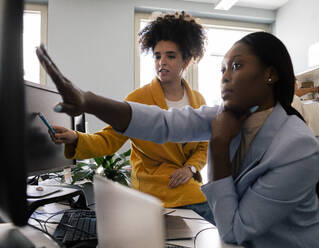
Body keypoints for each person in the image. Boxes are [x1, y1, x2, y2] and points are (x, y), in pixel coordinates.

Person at [36, 31, 319, 247]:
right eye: (223, 68)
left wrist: (218, 145)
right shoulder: (228, 114)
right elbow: (160, 123)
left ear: (270, 74)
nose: (225, 76)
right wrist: (87, 100)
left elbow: (234, 230)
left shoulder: (298, 147)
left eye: (237, 66)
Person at [46, 12, 214, 223]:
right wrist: (75, 138)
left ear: (186, 62)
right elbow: (107, 141)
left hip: (187, 185)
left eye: (170, 56)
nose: (162, 62)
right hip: (153, 189)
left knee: (215, 221)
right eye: (157, 55)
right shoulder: (138, 99)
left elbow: (202, 146)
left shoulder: (198, 100)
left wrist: (190, 168)